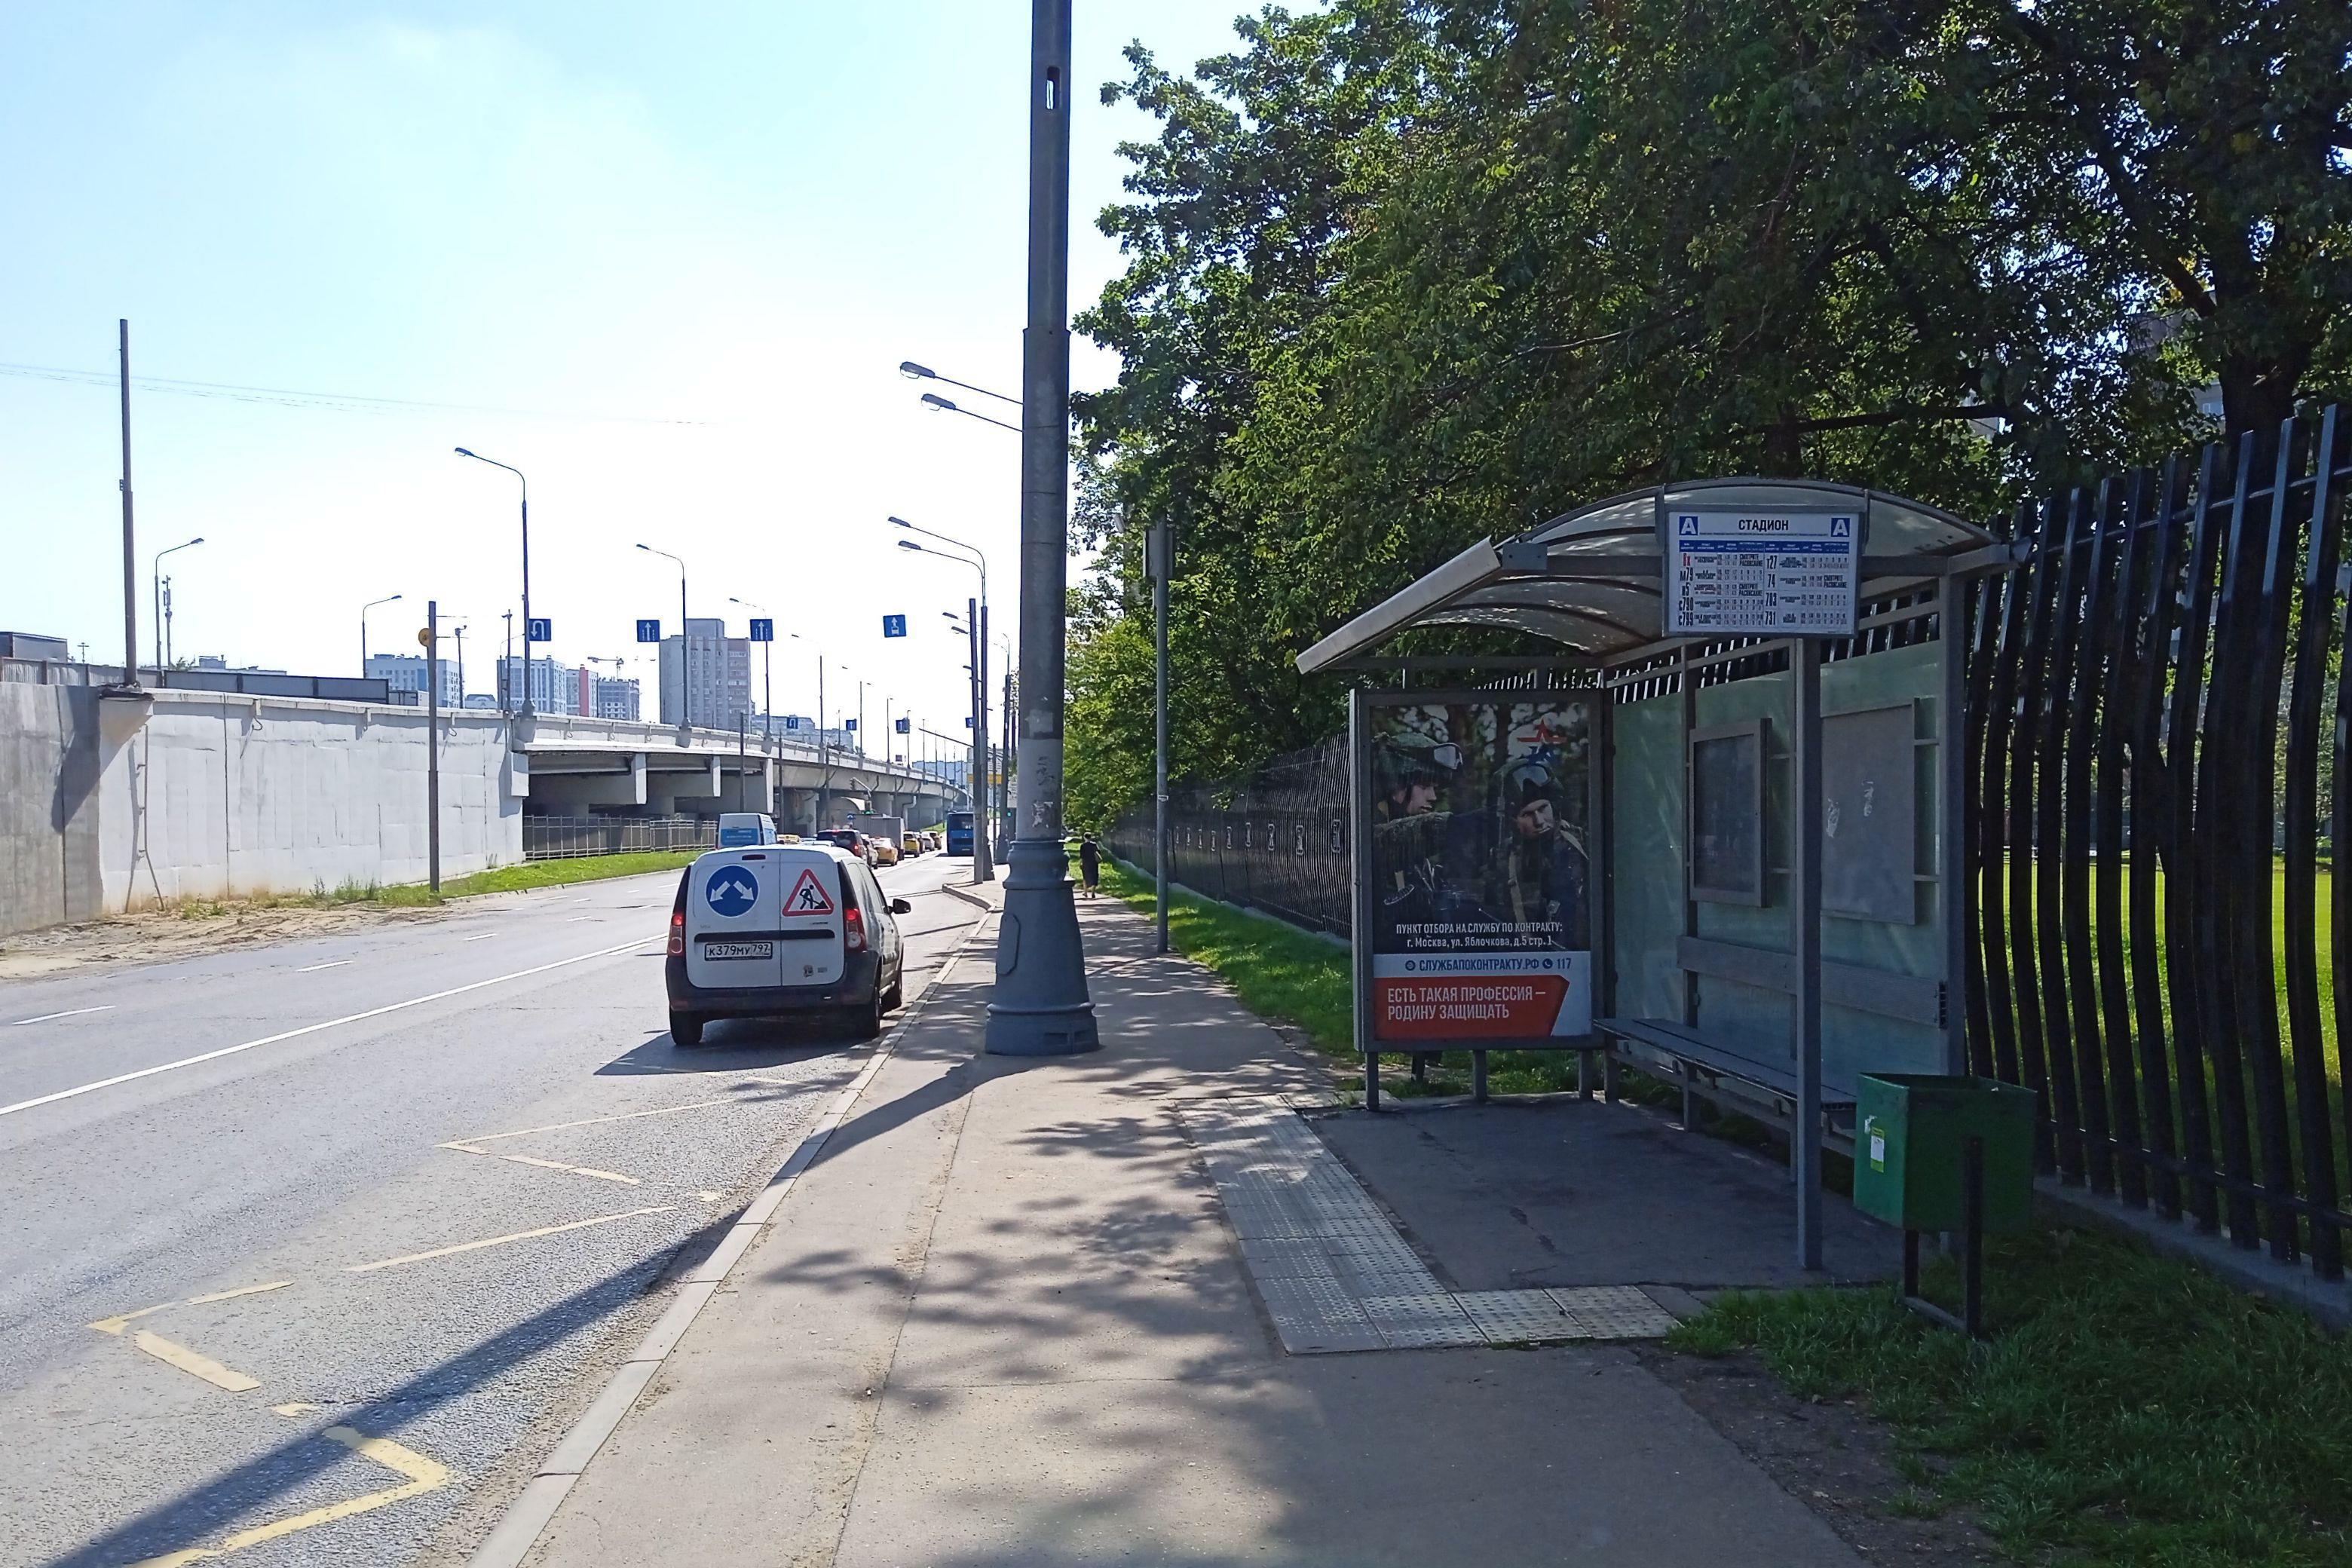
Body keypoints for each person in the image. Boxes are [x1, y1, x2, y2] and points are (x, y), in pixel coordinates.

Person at [1077, 834, 1102, 899]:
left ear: (1084, 837)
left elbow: (1082, 856)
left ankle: (1085, 893)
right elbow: (1099, 853)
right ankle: (1093, 893)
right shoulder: (1094, 845)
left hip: (1086, 863)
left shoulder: (1083, 846)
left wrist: (1080, 863)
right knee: (1094, 877)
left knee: (1085, 877)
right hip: (1094, 863)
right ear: (1091, 837)